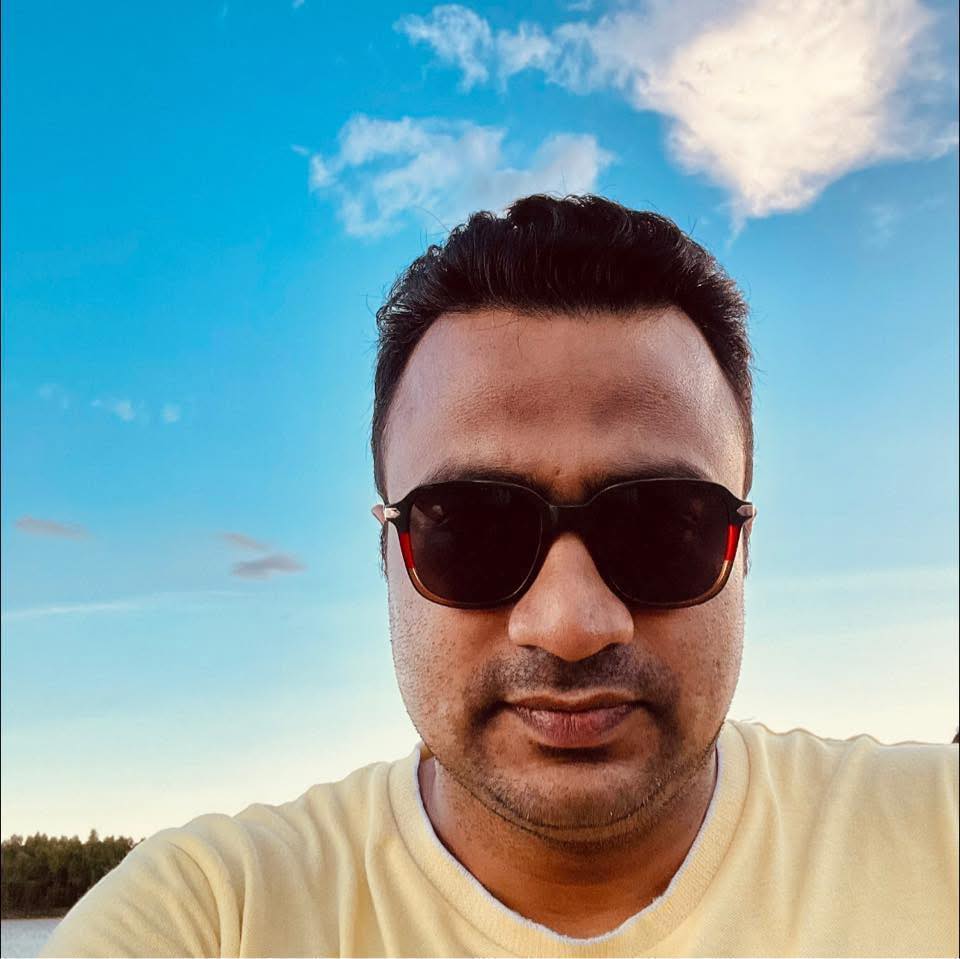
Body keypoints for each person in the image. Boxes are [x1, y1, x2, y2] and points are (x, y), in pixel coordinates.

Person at [42, 195, 958, 958]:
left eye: (663, 525)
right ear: (389, 553)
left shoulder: (938, 837)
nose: (571, 623)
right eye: (472, 529)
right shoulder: (215, 917)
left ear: (741, 547)